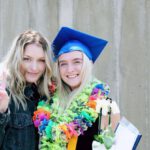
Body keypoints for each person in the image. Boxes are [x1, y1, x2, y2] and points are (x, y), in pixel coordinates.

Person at [33, 27, 120, 150]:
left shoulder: (106, 107)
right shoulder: (48, 101)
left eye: (77, 62)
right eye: (63, 64)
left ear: (89, 64)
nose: (70, 69)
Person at [0, 30, 53, 150]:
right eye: (27, 59)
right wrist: (1, 113)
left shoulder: (44, 95)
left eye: (41, 60)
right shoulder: (4, 93)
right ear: (16, 59)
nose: (34, 67)